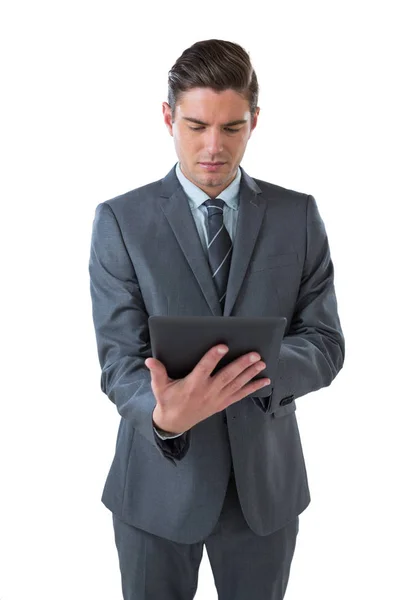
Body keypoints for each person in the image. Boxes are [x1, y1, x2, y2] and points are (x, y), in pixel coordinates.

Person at [89, 38, 345, 600]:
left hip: (264, 492)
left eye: (232, 128)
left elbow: (325, 341)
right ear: (168, 117)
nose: (213, 146)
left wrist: (252, 376)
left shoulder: (297, 216)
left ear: (254, 121)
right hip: (156, 487)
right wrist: (163, 414)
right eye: (196, 125)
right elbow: (118, 360)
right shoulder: (120, 221)